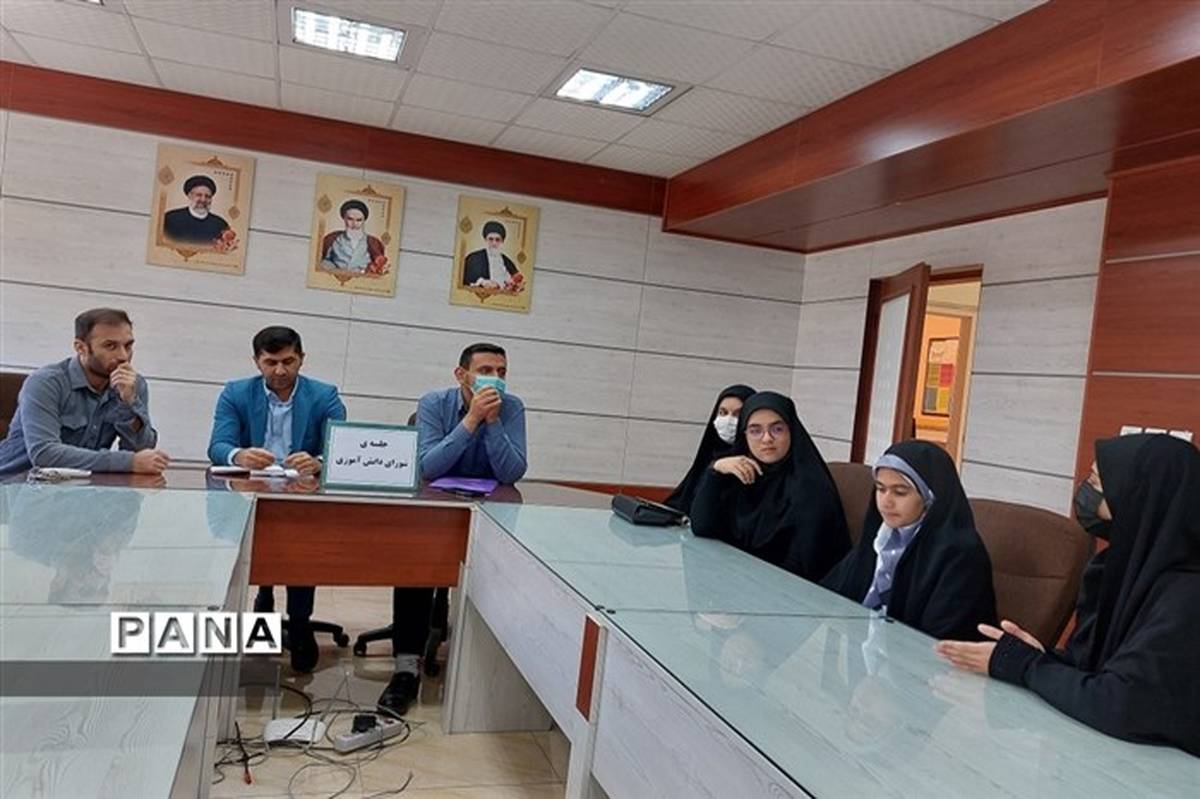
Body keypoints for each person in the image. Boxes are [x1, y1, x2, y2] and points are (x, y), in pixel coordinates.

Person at [936, 434, 1200, 756]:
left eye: (1097, 482)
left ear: (1140, 495)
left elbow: (1121, 704)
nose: (1085, 491)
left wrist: (1028, 667)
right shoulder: (1119, 565)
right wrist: (1042, 657)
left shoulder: (1188, 595)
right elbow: (1090, 664)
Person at [376, 342, 527, 716]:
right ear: (462, 375)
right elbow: (428, 466)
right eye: (486, 371)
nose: (495, 379)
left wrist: (492, 422)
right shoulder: (433, 404)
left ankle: (483, 669)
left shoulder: (512, 408)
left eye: (502, 372)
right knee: (415, 565)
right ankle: (406, 669)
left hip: (488, 514)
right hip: (434, 512)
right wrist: (471, 420)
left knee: (501, 575)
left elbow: (512, 472)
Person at [206, 325, 346, 673]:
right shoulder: (236, 393)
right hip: (250, 492)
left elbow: (341, 446)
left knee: (301, 548)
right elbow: (218, 446)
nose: (280, 371)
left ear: (302, 359)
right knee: (248, 542)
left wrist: (320, 461)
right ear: (257, 361)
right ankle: (262, 597)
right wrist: (239, 455)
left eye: (288, 361)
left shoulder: (324, 395)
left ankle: (299, 622)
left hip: (302, 495)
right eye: (271, 362)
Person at [822, 440, 997, 640]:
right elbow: (828, 595)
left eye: (900, 492)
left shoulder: (961, 554)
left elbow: (941, 639)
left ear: (930, 497)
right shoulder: (883, 537)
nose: (886, 501)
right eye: (880, 489)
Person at [689, 391, 849, 580]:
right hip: (740, 580)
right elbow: (702, 527)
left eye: (777, 429)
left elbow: (802, 569)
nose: (766, 439)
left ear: (792, 431)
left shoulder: (811, 489)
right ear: (744, 435)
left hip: (789, 590)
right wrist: (715, 470)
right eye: (755, 431)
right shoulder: (742, 474)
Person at [0, 308, 168, 476]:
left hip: (79, 486)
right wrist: (128, 462)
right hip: (14, 484)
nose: (123, 356)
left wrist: (130, 403)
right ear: (81, 348)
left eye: (128, 345)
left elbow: (141, 454)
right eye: (110, 346)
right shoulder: (45, 383)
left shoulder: (132, 384)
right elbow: (45, 454)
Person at [664, 384, 756, 515]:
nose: (728, 420)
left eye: (738, 414)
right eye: (723, 413)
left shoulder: (754, 465)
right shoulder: (709, 457)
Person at [320, 199, 386, 272]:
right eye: (350, 219)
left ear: (364, 221)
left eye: (359, 220)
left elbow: (379, 264)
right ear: (344, 219)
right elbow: (324, 260)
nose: (354, 224)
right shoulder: (332, 239)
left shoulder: (373, 242)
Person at [162, 175, 230, 245]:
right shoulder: (170, 219)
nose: (203, 200)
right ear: (189, 196)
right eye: (199, 195)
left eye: (207, 196)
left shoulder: (221, 225)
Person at [462, 220, 519, 287]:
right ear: (485, 239)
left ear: (502, 241)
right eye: (491, 239)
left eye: (497, 240)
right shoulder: (473, 258)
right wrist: (481, 282)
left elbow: (518, 284)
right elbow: (464, 281)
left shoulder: (508, 262)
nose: (494, 243)